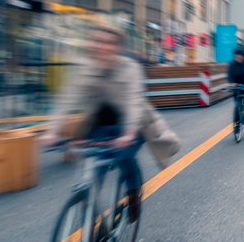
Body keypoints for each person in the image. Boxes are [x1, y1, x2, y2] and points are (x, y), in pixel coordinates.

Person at [41, 24, 180, 221]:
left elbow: (133, 102)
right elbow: (67, 98)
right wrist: (52, 131)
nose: (101, 46)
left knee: (124, 157)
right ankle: (87, 237)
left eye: (107, 43)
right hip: (100, 126)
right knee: (92, 175)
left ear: (118, 48)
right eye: (96, 41)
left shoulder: (130, 68)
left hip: (133, 124)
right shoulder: (86, 68)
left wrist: (129, 133)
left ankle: (134, 194)